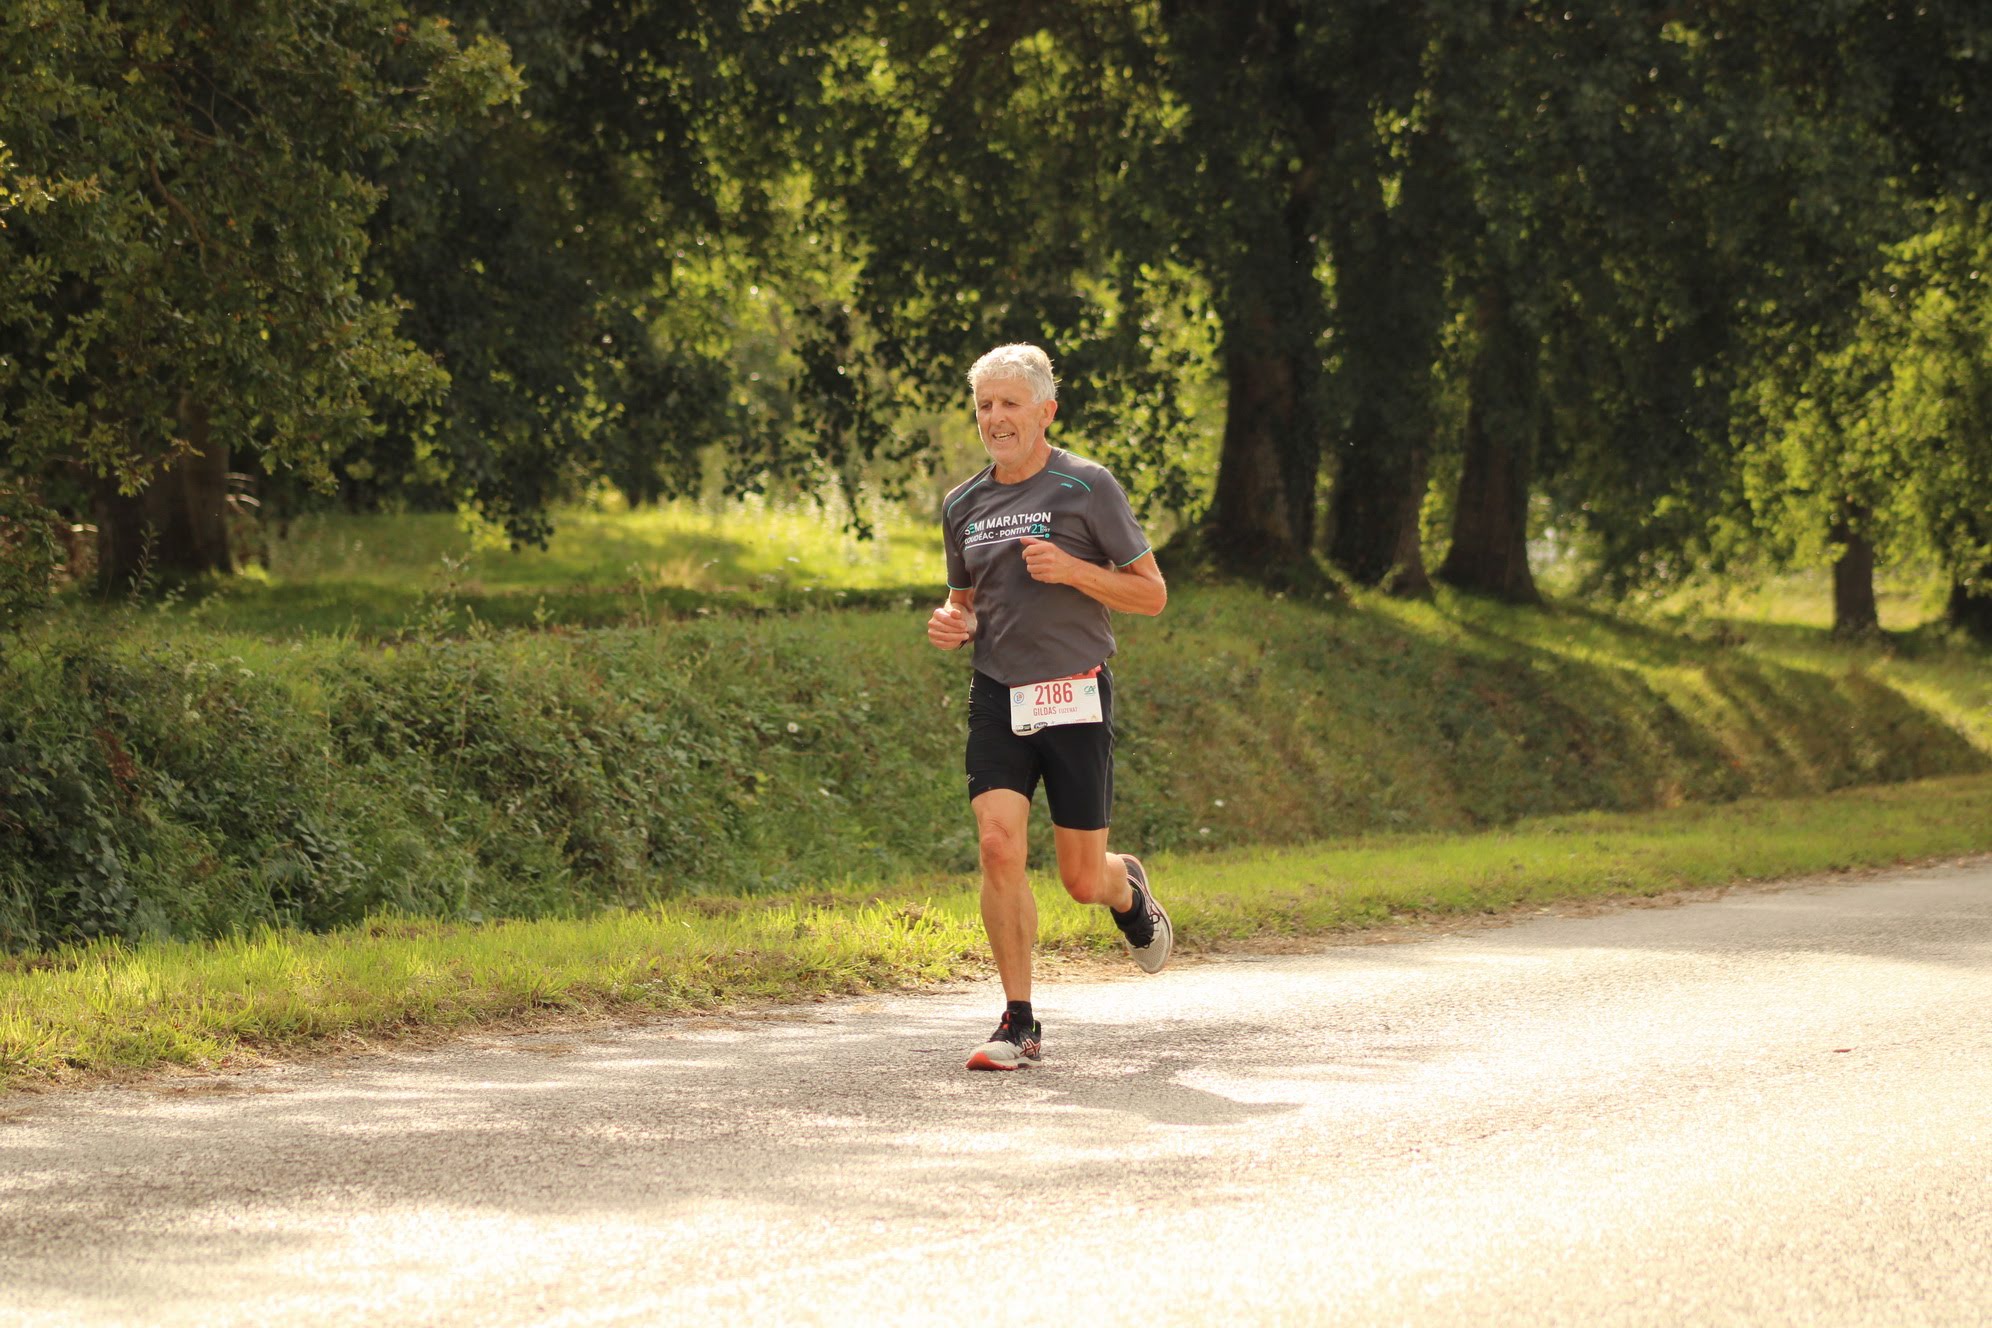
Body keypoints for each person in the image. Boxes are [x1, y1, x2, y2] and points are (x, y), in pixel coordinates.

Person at [926, 342, 1172, 1071]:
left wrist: (1072, 570)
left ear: (1045, 412)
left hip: (1074, 692)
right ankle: (1019, 1023)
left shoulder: (1086, 487)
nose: (995, 418)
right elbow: (965, 601)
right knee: (998, 845)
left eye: (1010, 403)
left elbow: (1152, 594)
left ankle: (1126, 890)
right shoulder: (963, 505)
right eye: (985, 406)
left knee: (1080, 879)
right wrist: (953, 623)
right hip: (998, 693)